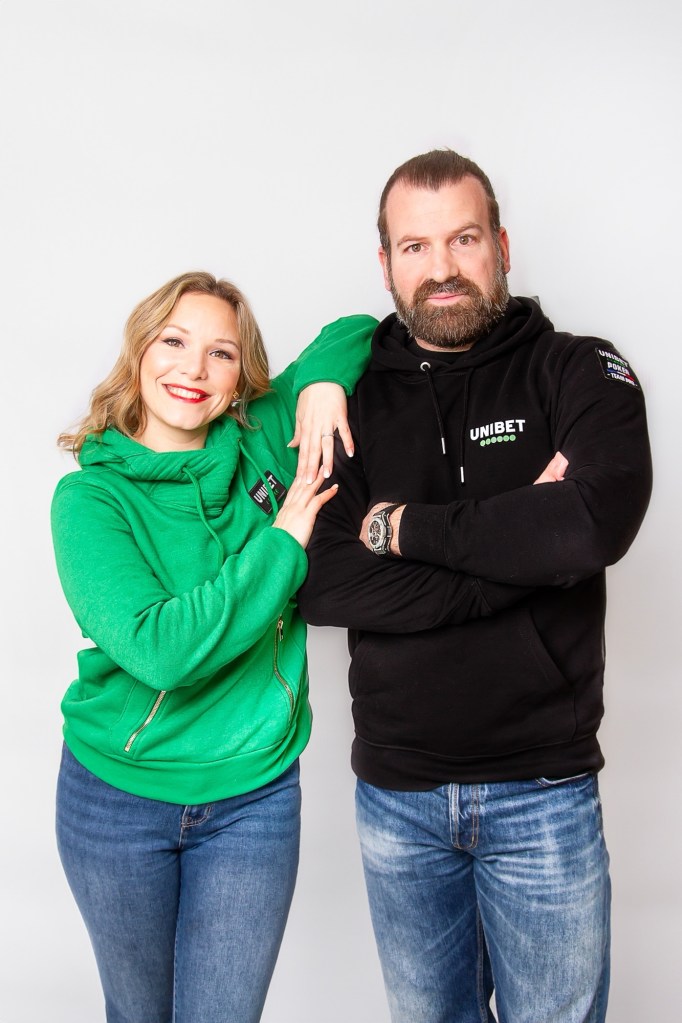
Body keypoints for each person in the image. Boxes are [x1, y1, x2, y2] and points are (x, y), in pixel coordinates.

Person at [298, 150, 652, 1023]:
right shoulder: (347, 401)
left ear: (501, 245)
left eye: (462, 239)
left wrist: (401, 529)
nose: (441, 267)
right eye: (414, 247)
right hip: (399, 797)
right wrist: (521, 554)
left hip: (543, 792)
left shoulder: (579, 371)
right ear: (386, 264)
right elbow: (322, 579)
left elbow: (590, 526)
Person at [52, 270, 375, 1023]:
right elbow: (160, 650)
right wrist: (282, 545)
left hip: (254, 796)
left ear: (239, 380)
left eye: (221, 353)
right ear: (139, 352)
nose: (193, 368)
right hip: (119, 797)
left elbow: (360, 329)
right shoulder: (90, 499)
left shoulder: (262, 438)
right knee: (138, 1014)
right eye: (173, 341)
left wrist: (321, 386)